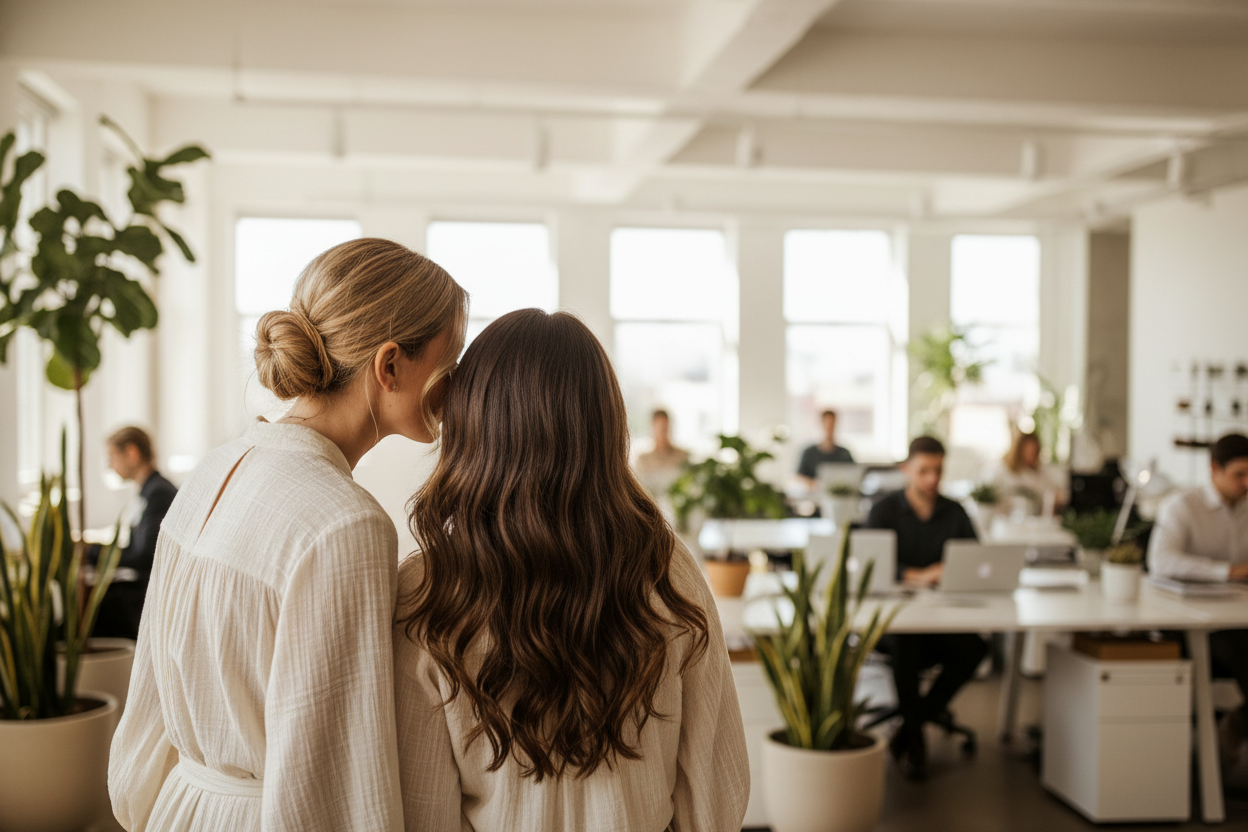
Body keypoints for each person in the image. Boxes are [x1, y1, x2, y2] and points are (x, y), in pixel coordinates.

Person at [109, 239, 467, 832]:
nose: (459, 389)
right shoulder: (345, 525)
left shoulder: (215, 470)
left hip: (177, 807)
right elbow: (335, 776)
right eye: (450, 361)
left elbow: (144, 721)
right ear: (390, 365)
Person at [393, 309, 749, 832]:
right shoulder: (668, 571)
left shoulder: (425, 592)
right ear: (607, 426)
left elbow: (425, 810)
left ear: (470, 423)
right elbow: (715, 795)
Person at [866, 435, 986, 780]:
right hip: (894, 624)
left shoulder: (955, 511)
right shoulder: (883, 511)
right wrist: (917, 575)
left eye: (938, 471)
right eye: (924, 471)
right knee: (907, 640)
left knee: (975, 648)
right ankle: (915, 737)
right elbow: (871, 567)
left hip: (941, 617)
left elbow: (974, 561)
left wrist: (952, 574)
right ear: (907, 471)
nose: (932, 479)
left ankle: (910, 724)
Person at [1148, 432, 1248, 766]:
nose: (1246, 483)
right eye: (1239, 474)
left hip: (1239, 616)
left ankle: (1236, 726)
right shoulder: (1183, 506)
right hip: (1197, 624)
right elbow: (1161, 561)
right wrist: (1228, 572)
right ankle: (1230, 732)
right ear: (1214, 470)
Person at [91, 427, 178, 639]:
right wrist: (93, 549)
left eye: (112, 457)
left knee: (97, 607)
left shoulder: (158, 493)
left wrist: (92, 554)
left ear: (131, 453)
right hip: (144, 586)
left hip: (151, 593)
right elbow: (134, 548)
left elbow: (144, 555)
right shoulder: (147, 491)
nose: (110, 466)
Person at [985, 431, 1066, 516]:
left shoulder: (1042, 474)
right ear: (1019, 451)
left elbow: (1051, 496)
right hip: (1009, 522)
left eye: (1035, 451)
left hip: (1036, 523)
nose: (1032, 455)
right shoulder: (1003, 472)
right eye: (1029, 451)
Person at [633, 408, 690, 499]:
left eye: (664, 426)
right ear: (652, 427)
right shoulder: (643, 459)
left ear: (670, 427)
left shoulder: (683, 455)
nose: (662, 431)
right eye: (658, 427)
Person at [797, 409, 854, 489]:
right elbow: (798, 477)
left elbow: (854, 476)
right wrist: (814, 484)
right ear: (821, 424)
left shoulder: (845, 453)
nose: (829, 428)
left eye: (832, 424)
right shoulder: (809, 453)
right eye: (827, 424)